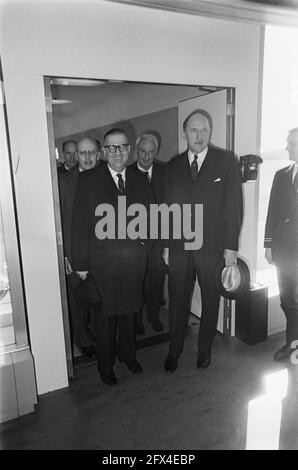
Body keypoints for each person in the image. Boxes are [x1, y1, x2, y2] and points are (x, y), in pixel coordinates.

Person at [71, 128, 153, 386]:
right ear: (104, 152)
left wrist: (143, 244)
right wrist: (81, 264)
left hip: (132, 264)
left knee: (129, 313)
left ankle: (128, 355)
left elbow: (152, 216)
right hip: (101, 265)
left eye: (122, 147)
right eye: (112, 148)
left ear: (129, 150)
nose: (117, 152)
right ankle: (105, 366)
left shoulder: (140, 179)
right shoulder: (88, 180)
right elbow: (79, 223)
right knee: (104, 319)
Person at [163, 109, 243, 372]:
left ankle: (204, 349)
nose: (199, 135)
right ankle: (174, 351)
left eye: (205, 130)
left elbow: (234, 206)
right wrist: (165, 244)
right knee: (177, 300)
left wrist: (231, 246)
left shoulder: (225, 160)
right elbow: (167, 208)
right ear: (184, 133)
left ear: (211, 132)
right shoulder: (172, 166)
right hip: (179, 247)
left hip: (212, 247)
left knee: (211, 299)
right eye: (194, 130)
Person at [59, 137, 100, 357]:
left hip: (101, 255)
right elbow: (60, 224)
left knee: (98, 299)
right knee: (77, 301)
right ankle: (83, 340)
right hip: (74, 254)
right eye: (82, 153)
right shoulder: (64, 183)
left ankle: (99, 335)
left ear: (98, 154)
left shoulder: (106, 179)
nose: (86, 157)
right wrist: (65, 256)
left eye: (91, 152)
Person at [265, 127, 298, 362]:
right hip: (284, 252)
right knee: (287, 300)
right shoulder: (281, 175)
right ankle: (292, 344)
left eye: (292, 143)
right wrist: (268, 245)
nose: (287, 147)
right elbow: (272, 212)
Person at [131, 132, 166, 334]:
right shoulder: (126, 173)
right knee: (137, 281)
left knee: (156, 279)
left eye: (151, 152)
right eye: (142, 152)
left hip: (159, 239)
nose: (146, 157)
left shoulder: (165, 171)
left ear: (156, 152)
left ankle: (153, 316)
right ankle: (136, 320)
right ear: (137, 151)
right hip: (135, 239)